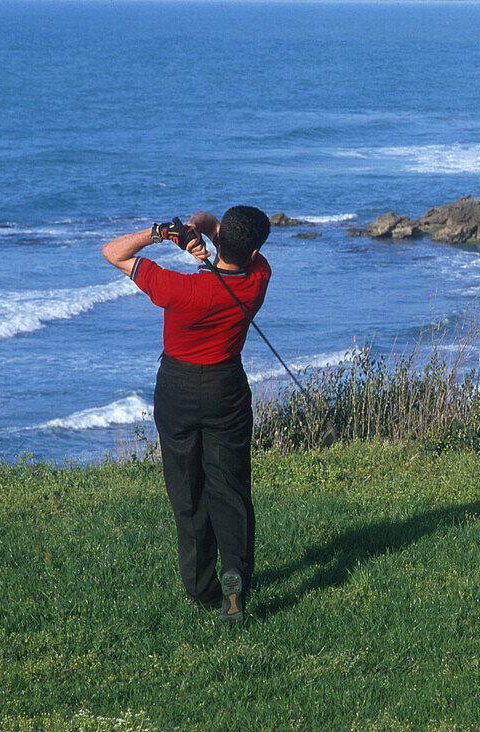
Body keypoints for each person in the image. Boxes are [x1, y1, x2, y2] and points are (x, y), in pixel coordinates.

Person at [102, 206, 272, 625]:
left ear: (220, 240)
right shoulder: (258, 277)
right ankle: (234, 586)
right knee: (229, 488)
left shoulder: (176, 288)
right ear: (253, 250)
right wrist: (198, 235)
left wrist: (165, 233)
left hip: (177, 387)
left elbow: (113, 251)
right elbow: (218, 227)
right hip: (226, 386)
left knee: (187, 493)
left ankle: (201, 588)